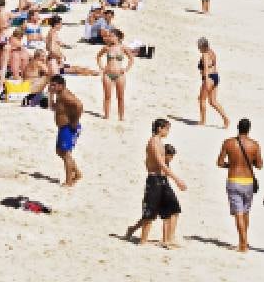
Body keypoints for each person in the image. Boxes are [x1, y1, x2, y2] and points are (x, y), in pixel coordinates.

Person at [126, 119, 186, 248]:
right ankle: (142, 241)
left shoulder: (160, 142)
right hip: (154, 180)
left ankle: (167, 239)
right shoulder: (153, 141)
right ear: (160, 128)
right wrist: (177, 179)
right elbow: (159, 163)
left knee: (173, 208)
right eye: (167, 129)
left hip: (163, 179)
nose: (168, 131)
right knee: (150, 212)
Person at [216, 118, 263, 253]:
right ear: (249, 129)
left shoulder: (228, 143)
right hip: (248, 181)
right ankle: (244, 241)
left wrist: (231, 165)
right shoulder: (254, 145)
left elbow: (219, 163)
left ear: (237, 127)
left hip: (234, 179)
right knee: (245, 212)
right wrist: (250, 161)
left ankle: (242, 244)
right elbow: (259, 165)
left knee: (238, 214)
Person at [48, 75, 83, 186]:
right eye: (51, 85)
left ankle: (69, 181)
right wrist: (50, 94)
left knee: (66, 154)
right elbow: (52, 107)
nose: (51, 87)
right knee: (59, 151)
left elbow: (79, 105)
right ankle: (77, 173)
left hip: (68, 127)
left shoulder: (65, 96)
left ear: (61, 86)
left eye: (53, 85)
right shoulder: (59, 95)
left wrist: (75, 121)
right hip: (63, 128)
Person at [95, 29, 135, 122]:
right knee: (107, 96)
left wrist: (126, 69)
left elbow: (131, 59)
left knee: (120, 97)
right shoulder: (107, 48)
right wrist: (102, 67)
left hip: (120, 75)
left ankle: (121, 117)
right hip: (107, 74)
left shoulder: (123, 48)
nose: (109, 37)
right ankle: (106, 116)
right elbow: (98, 56)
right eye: (109, 36)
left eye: (112, 36)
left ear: (118, 37)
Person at [197, 38, 229, 128]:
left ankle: (203, 121)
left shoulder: (205, 55)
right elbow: (213, 65)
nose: (198, 48)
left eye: (198, 46)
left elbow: (206, 68)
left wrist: (206, 80)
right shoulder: (212, 52)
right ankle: (225, 119)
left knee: (202, 99)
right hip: (215, 77)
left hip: (209, 78)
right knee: (213, 101)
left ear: (201, 46)